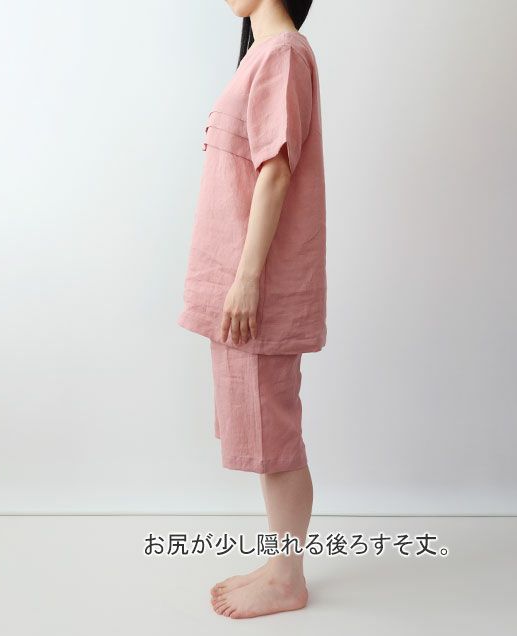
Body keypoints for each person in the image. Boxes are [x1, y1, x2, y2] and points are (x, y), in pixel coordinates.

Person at [177, 0, 326, 619]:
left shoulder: (284, 54)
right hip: (242, 283)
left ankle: (288, 579)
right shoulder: (264, 55)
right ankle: (280, 562)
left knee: (275, 434)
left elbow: (276, 173)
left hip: (257, 287)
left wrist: (246, 280)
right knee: (266, 431)